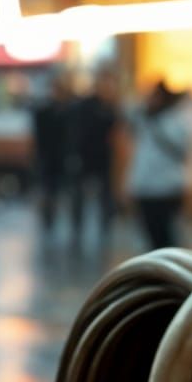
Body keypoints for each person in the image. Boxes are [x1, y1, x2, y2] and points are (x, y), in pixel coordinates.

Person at [125, 79, 192, 250]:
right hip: (145, 187)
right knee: (151, 234)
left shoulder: (175, 120)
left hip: (168, 187)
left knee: (168, 235)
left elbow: (183, 149)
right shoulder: (143, 119)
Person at [68, 71, 120, 251]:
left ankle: (104, 228)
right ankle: (77, 228)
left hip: (103, 158)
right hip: (84, 156)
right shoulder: (85, 106)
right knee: (79, 196)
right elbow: (76, 131)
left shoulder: (110, 107)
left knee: (104, 196)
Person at [32, 71, 75, 241]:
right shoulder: (43, 112)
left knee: (68, 193)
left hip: (65, 158)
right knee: (49, 193)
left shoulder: (71, 111)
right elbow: (38, 137)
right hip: (48, 159)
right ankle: (48, 221)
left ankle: (70, 225)